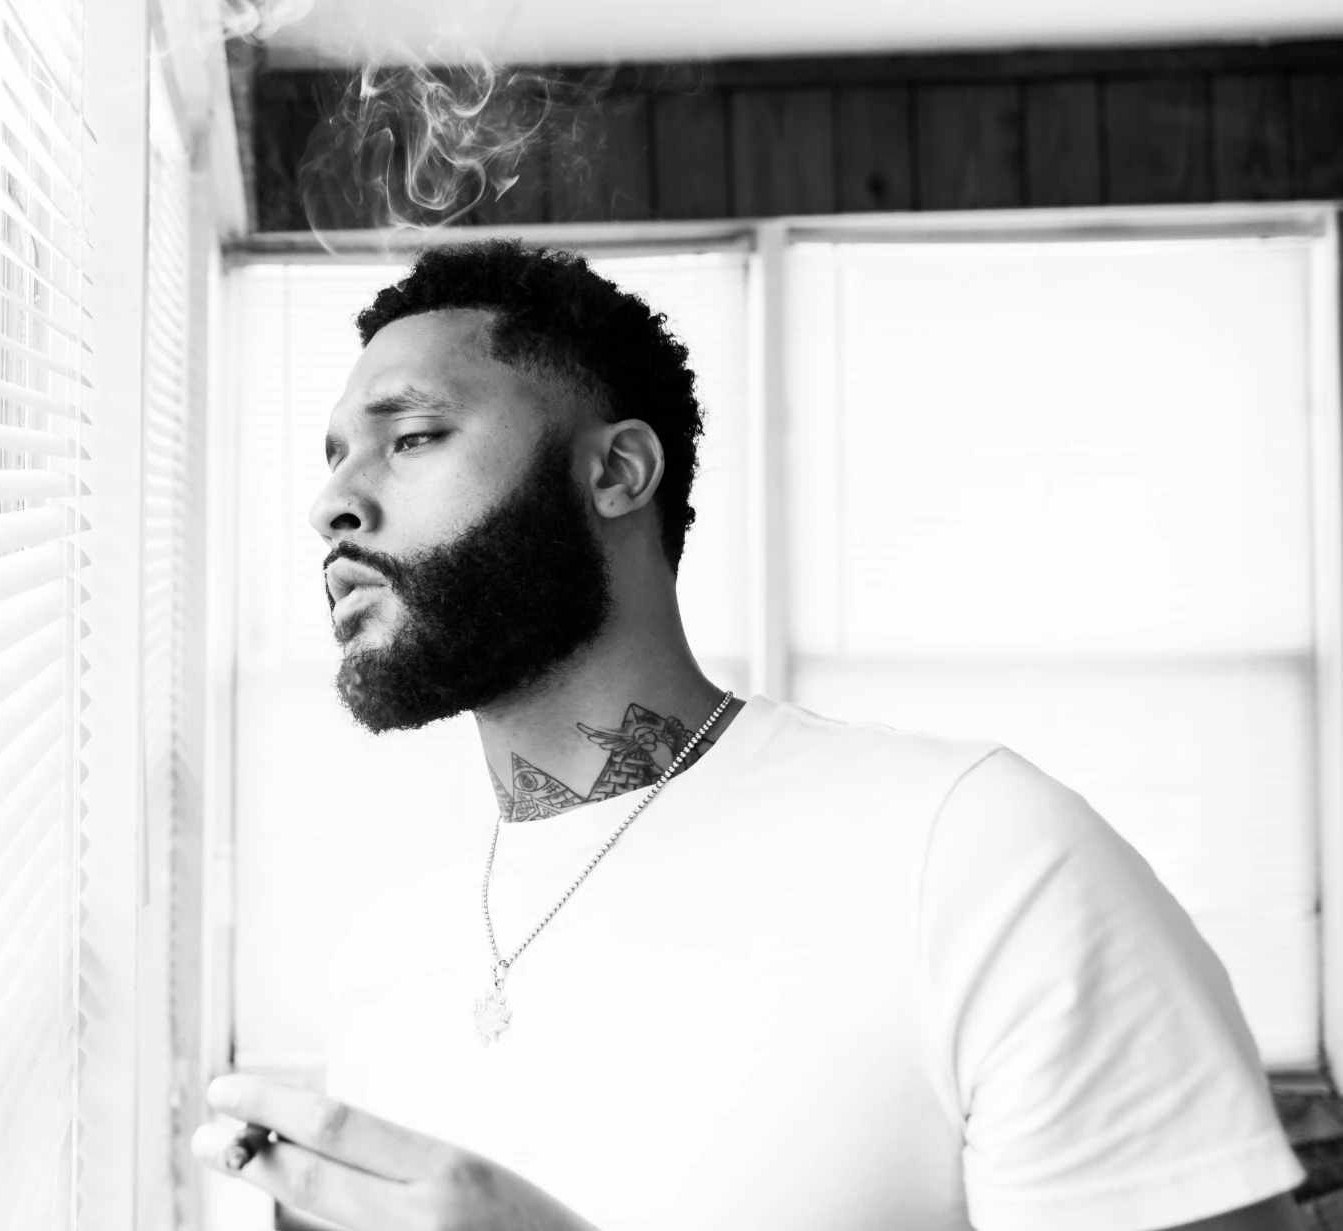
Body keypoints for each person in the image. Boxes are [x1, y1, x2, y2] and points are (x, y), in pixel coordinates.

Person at [191, 240, 1305, 1231]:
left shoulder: (978, 858)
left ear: (616, 472)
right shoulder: (385, 954)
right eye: (331, 456)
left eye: (413, 436)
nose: (332, 502)